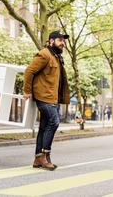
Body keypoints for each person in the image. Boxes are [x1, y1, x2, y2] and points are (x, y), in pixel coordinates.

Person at [23, 30, 70, 171]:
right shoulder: (45, 54)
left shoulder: (56, 57)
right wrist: (27, 91)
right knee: (54, 122)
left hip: (53, 97)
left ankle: (38, 158)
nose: (63, 43)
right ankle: (45, 155)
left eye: (64, 40)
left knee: (44, 127)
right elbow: (29, 71)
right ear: (51, 41)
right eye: (60, 40)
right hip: (44, 97)